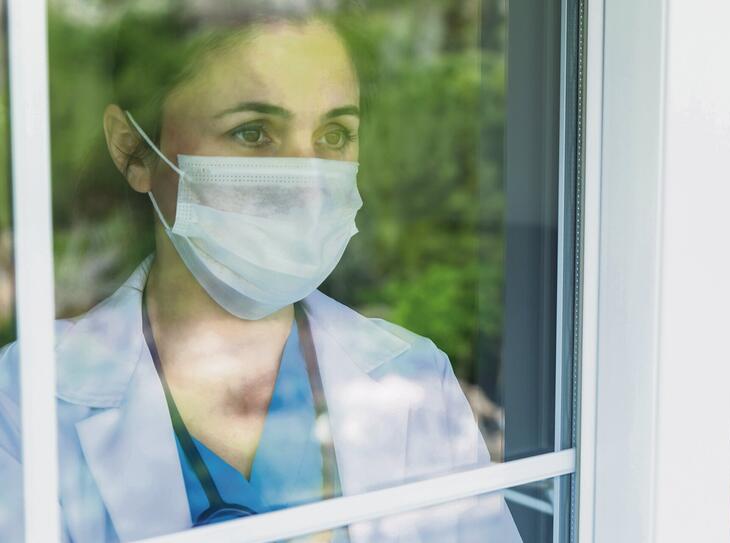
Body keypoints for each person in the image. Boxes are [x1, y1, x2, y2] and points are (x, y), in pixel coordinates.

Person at [0, 3, 520, 542]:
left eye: (336, 135)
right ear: (133, 149)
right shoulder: (21, 399)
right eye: (252, 133)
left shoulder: (416, 381)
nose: (307, 182)